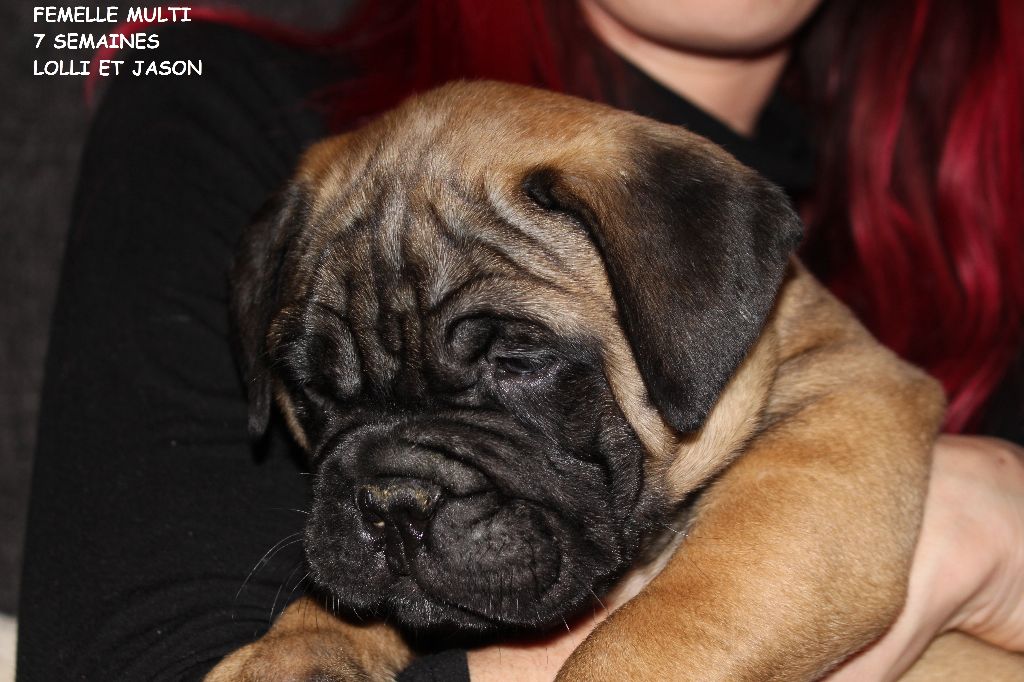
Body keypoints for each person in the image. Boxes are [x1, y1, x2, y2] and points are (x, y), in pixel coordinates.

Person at [16, 1, 1024, 680]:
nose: (405, 490)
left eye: (516, 363)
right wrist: (337, 630)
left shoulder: (946, 256)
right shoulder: (231, 114)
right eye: (329, 390)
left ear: (701, 299)